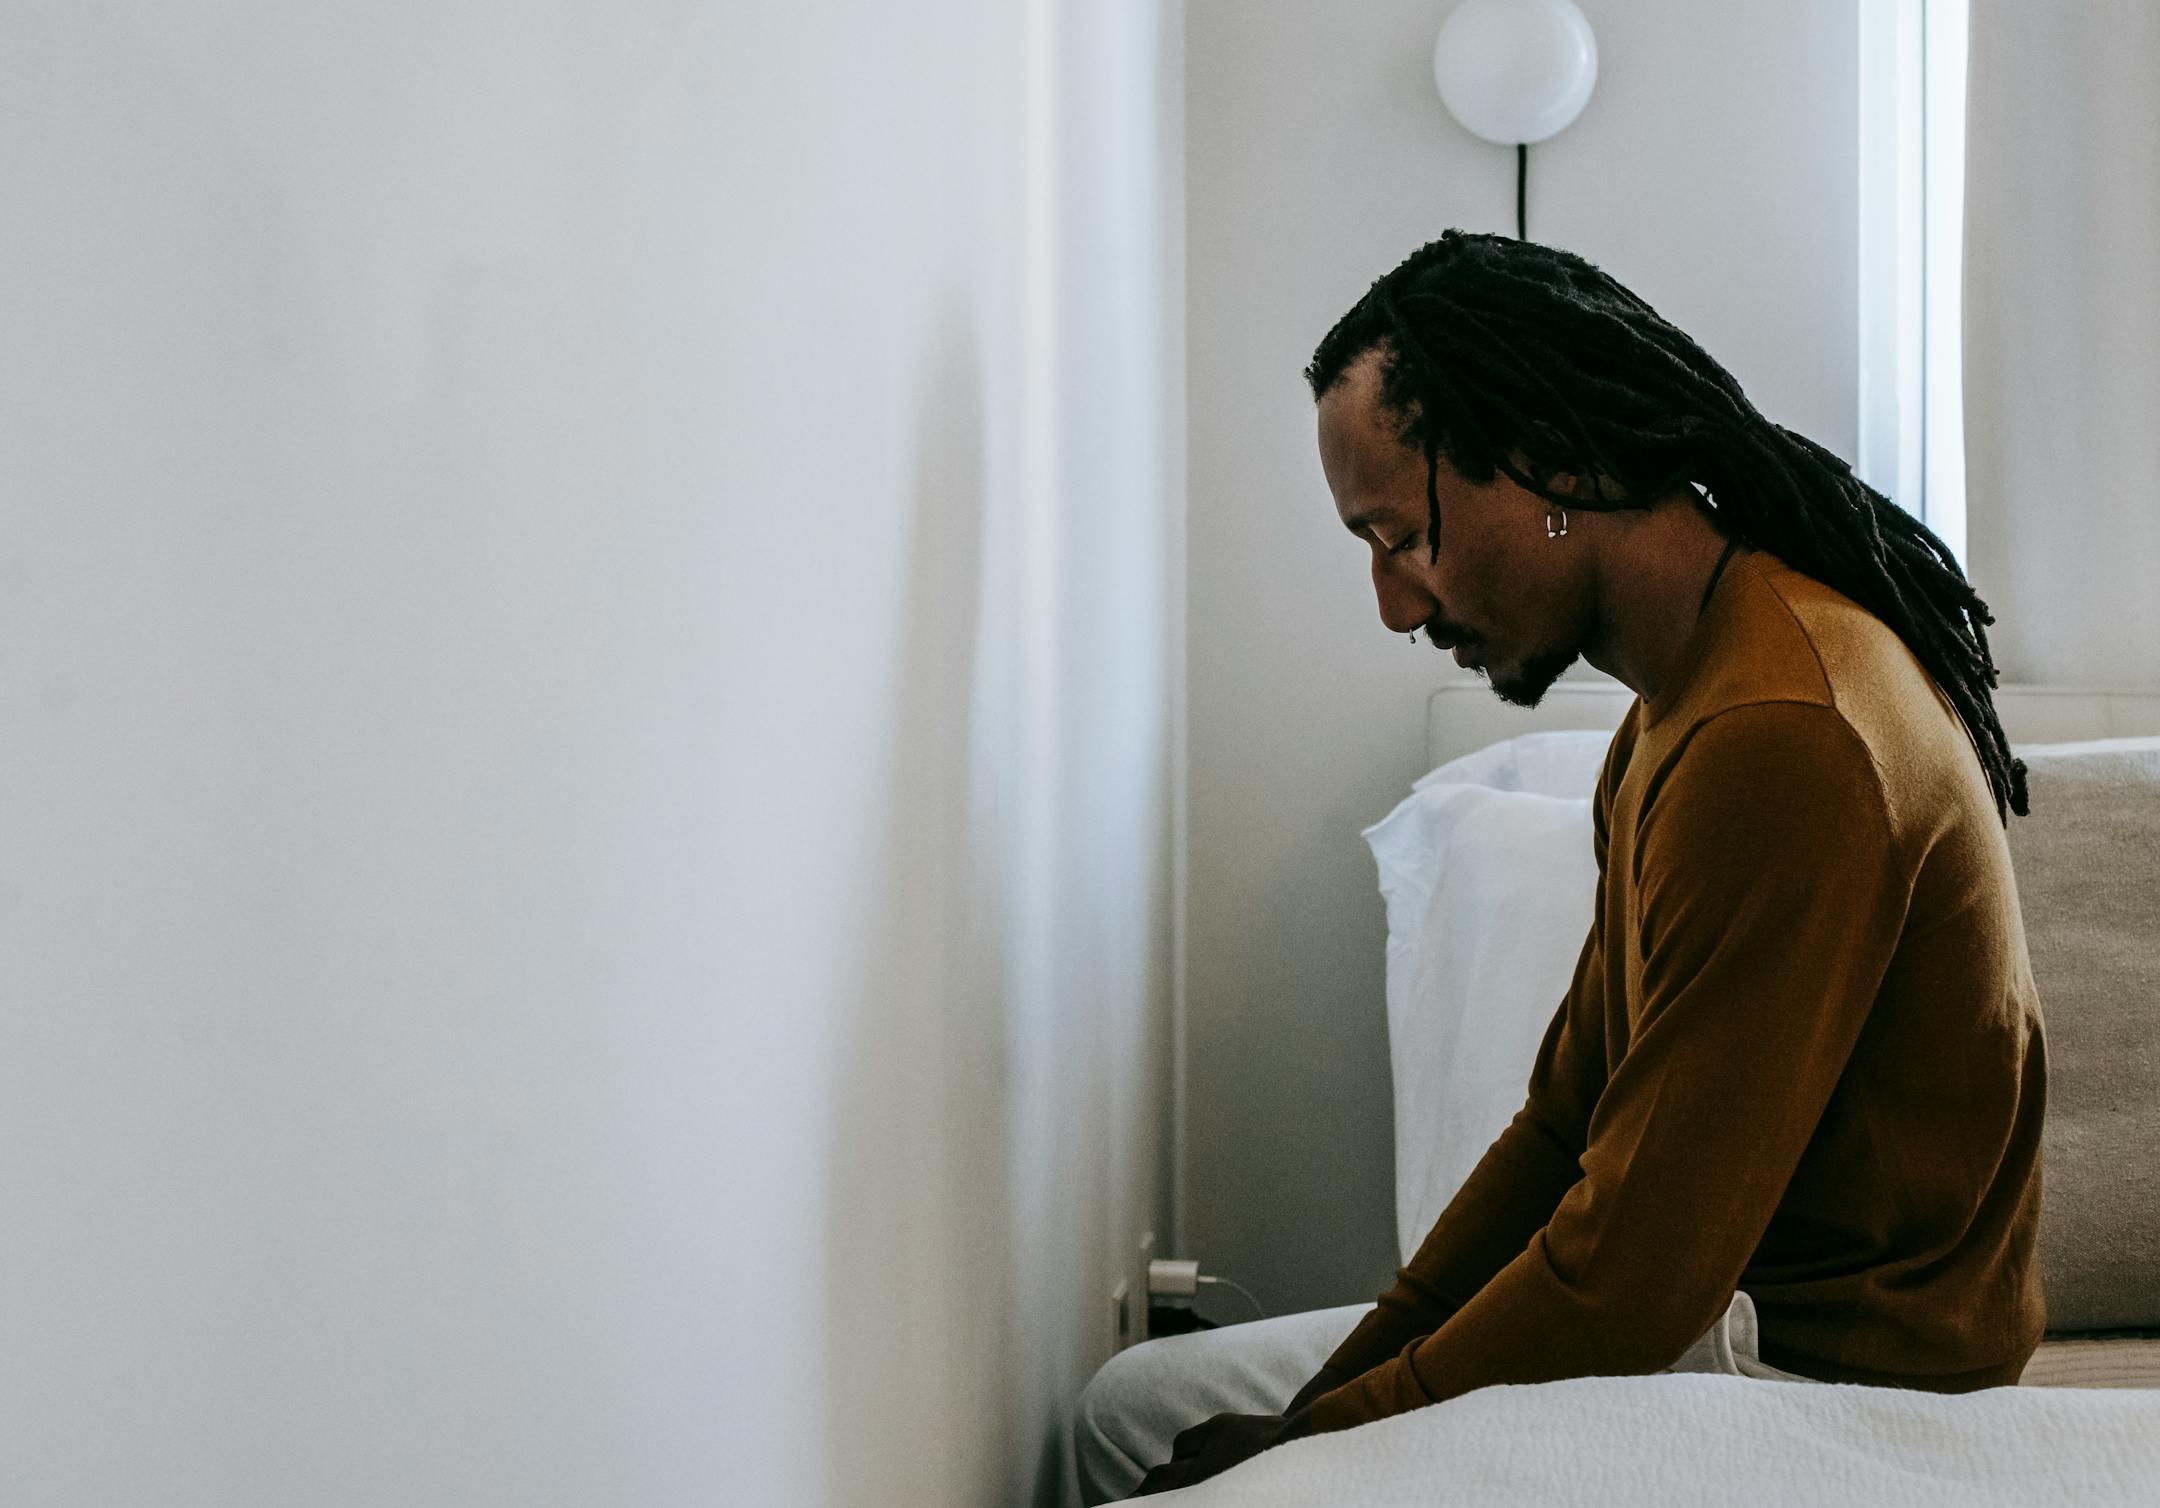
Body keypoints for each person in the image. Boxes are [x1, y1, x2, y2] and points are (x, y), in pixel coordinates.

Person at [1073, 230, 2046, 1502]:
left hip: (1815, 1385)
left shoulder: (1779, 736)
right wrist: (1329, 1404)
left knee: (1156, 1441)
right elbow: (1559, 1130)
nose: (1395, 605)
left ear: (1555, 462)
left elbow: (1630, 1277)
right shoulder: (1674, 710)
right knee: (1133, 1407)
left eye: (1403, 536)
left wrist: (1317, 1443)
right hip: (1715, 1324)